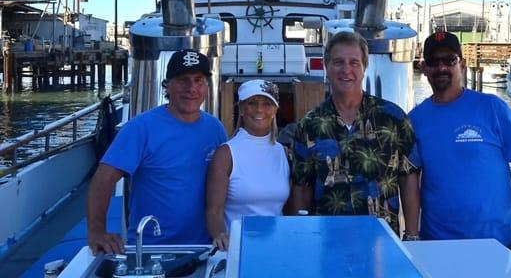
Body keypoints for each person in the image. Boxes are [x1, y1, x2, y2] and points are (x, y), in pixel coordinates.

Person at [409, 31, 511, 254]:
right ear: (424, 68)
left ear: (462, 65)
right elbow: (411, 179)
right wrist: (412, 235)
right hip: (439, 245)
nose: (441, 68)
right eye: (434, 61)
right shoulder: (414, 120)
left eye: (449, 60)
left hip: (498, 244)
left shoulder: (493, 108)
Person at [87, 49, 227, 255]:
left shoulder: (215, 129)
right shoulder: (140, 128)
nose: (192, 88)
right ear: (167, 85)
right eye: (183, 80)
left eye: (199, 80)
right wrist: (97, 231)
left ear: (207, 86)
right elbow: (104, 179)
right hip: (151, 249)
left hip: (204, 248)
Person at [288, 31, 420, 238]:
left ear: (364, 67)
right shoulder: (309, 125)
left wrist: (412, 235)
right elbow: (301, 187)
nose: (346, 70)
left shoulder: (393, 118)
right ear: (327, 67)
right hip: (327, 242)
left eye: (354, 63)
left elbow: (409, 177)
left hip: (382, 243)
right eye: (338, 62)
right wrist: (302, 238)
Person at [205, 79, 290, 250]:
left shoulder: (283, 152)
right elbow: (213, 210)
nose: (259, 110)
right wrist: (220, 236)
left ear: (274, 110)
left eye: (266, 104)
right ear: (242, 109)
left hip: (277, 248)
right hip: (238, 251)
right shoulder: (226, 153)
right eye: (252, 103)